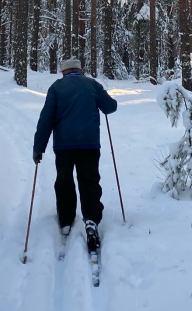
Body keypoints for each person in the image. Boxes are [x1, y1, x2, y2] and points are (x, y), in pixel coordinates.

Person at [33, 57, 117, 251]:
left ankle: (66, 219)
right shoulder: (92, 84)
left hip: (64, 145)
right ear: (80, 70)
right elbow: (110, 107)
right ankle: (91, 220)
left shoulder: (56, 88)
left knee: (64, 180)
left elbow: (46, 119)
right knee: (89, 180)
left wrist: (38, 147)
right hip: (89, 143)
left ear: (64, 72)